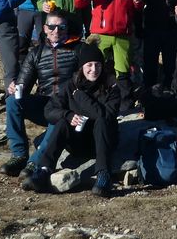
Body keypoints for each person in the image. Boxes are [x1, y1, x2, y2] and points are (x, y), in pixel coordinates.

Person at [21, 43, 120, 197]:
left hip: (102, 142)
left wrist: (80, 96)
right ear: (81, 67)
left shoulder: (111, 87)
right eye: (89, 65)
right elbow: (49, 110)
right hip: (77, 142)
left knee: (101, 122)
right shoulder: (70, 85)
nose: (94, 69)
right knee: (62, 122)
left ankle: (103, 174)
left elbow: (105, 115)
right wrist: (68, 115)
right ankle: (44, 170)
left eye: (98, 65)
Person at [1, 9, 83, 177]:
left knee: (58, 116)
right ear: (45, 28)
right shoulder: (36, 52)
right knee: (12, 101)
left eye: (61, 27)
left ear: (67, 28)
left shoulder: (79, 50)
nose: (56, 31)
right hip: (44, 103)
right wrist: (16, 87)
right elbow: (23, 83)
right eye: (51, 27)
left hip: (68, 107)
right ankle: (19, 155)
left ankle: (36, 161)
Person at [87, 0, 142, 106]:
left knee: (123, 70)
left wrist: (138, 1)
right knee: (95, 68)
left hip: (122, 34)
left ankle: (125, 104)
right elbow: (79, 3)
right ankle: (93, 101)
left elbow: (138, 7)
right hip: (100, 34)